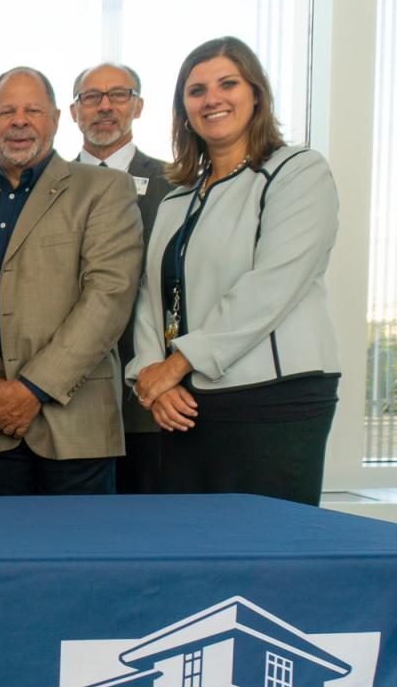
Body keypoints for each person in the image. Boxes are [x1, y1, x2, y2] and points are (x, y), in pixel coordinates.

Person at [127, 36, 339, 505]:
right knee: (195, 554)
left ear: (256, 94)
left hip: (275, 401)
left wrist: (175, 366)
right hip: (185, 406)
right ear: (184, 109)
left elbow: (271, 287)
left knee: (266, 559)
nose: (212, 99)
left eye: (228, 83)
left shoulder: (297, 172)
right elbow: (151, 296)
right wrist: (149, 377)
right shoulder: (178, 197)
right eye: (196, 90)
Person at [0, 67, 142, 496]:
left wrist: (30, 390)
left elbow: (108, 299)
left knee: (80, 560)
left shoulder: (103, 190)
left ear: (55, 119)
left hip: (75, 424)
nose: (19, 120)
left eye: (33, 109)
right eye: (6, 111)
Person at [70, 62, 175, 494]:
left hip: (149, 396)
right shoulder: (44, 186)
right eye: (91, 97)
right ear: (74, 112)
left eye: (118, 94)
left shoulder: (178, 183)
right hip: (66, 398)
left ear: (139, 105)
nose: (105, 106)